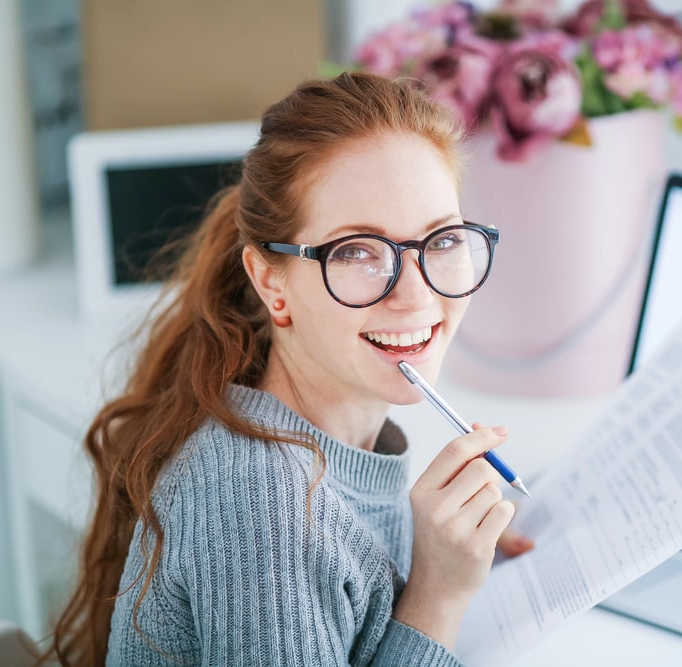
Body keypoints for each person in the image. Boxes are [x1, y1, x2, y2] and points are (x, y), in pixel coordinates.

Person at [48, 71, 533, 666]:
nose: (414, 295)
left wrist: (434, 554)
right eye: (357, 251)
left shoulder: (327, 441)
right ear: (271, 282)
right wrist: (437, 595)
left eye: (442, 241)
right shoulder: (263, 509)